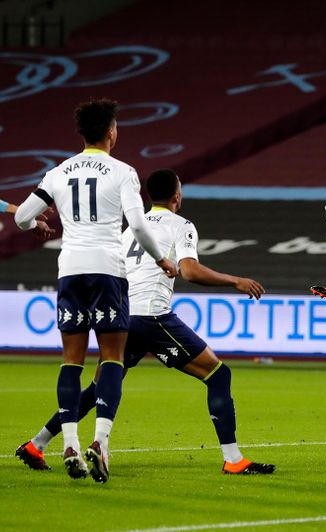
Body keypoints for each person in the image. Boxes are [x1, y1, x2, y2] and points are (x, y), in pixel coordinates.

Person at [15, 169, 274, 476]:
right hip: (153, 317)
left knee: (99, 386)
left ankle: (36, 444)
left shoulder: (128, 231)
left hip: (122, 316)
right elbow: (189, 271)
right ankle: (233, 459)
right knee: (218, 374)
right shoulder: (182, 225)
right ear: (177, 196)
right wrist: (236, 281)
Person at [14, 98, 177, 483]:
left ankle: (69, 442)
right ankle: (100, 442)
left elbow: (21, 216)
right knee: (112, 358)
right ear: (110, 132)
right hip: (107, 269)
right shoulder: (123, 172)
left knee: (72, 360)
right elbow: (137, 226)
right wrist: (161, 260)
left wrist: (37, 222)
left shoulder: (57, 172)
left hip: (70, 270)